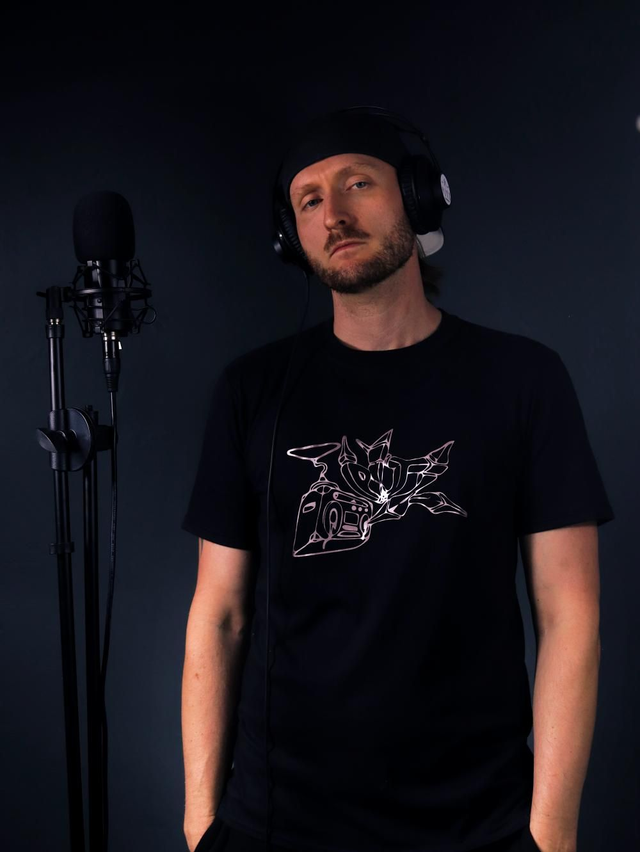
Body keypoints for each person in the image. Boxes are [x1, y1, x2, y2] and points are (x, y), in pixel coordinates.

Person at [180, 108, 614, 852]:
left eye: (358, 184)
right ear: (290, 234)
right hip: (278, 824)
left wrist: (551, 834)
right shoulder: (252, 392)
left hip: (477, 825)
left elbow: (569, 615)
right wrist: (200, 822)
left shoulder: (524, 379)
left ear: (418, 196)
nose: (334, 214)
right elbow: (219, 614)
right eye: (309, 200)